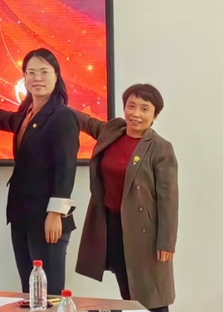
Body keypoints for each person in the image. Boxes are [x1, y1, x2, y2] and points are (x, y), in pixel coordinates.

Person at [75, 84, 178, 312]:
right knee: (128, 292)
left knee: (153, 296)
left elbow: (168, 199)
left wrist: (166, 242)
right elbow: (87, 122)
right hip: (113, 225)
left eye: (144, 108)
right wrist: (54, 103)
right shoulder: (113, 132)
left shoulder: (160, 148)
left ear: (154, 115)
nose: (136, 114)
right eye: (131, 106)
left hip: (146, 233)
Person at [0, 48, 79, 294]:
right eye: (31, 72)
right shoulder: (26, 114)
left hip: (47, 219)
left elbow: (66, 168)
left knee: (49, 294)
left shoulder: (62, 116)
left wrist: (55, 213)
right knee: (29, 292)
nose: (37, 78)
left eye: (44, 72)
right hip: (21, 216)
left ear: (56, 76)